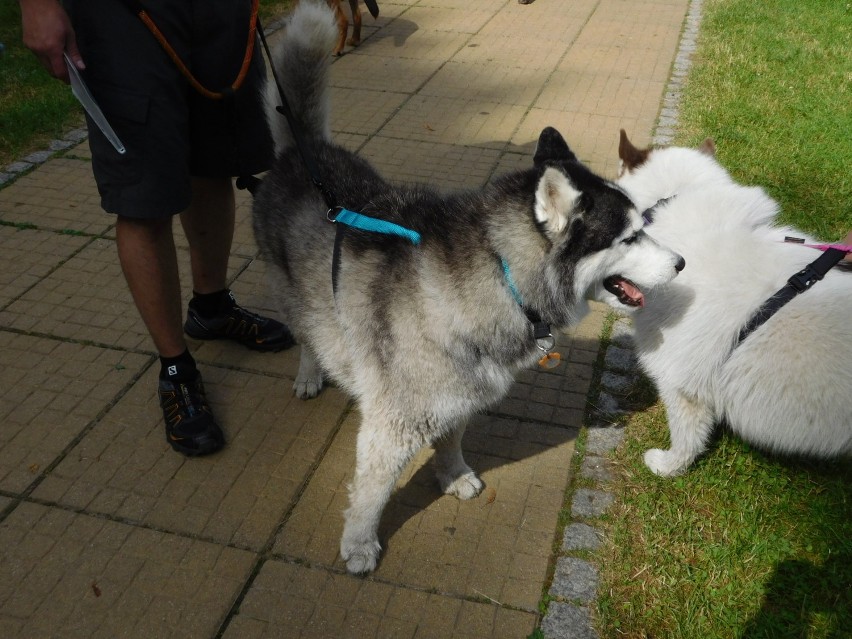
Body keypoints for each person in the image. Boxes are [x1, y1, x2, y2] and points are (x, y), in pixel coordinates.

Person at [19, 0, 293, 456]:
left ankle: (212, 308)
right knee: (143, 195)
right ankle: (175, 369)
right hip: (118, 16)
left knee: (215, 162)